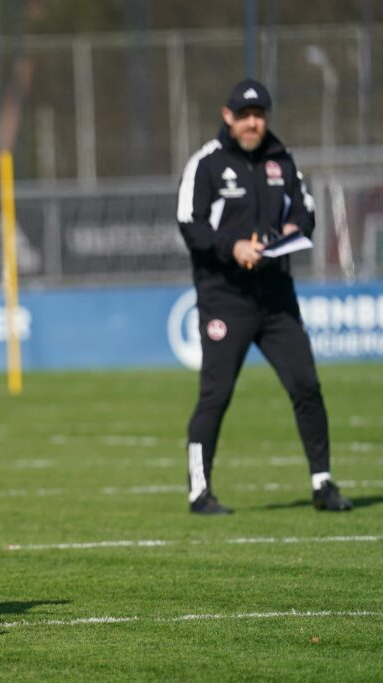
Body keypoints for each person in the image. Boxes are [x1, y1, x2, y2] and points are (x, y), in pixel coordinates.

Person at [176, 78, 352, 515]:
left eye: (260, 115)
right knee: (215, 395)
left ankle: (322, 482)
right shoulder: (208, 163)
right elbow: (189, 224)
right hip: (225, 298)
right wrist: (232, 247)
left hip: (275, 297)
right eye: (245, 115)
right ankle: (200, 492)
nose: (253, 123)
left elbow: (305, 210)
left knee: (306, 385)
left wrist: (295, 229)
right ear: (228, 116)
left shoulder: (282, 159)